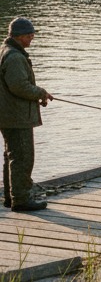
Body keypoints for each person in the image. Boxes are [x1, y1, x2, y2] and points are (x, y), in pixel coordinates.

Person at [0, 18, 53, 211]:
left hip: (9, 115)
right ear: (19, 36)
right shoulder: (14, 56)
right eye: (29, 35)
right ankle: (21, 201)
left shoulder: (5, 50)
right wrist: (40, 92)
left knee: (12, 156)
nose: (32, 38)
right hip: (16, 116)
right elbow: (18, 86)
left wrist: (39, 94)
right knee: (22, 157)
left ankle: (11, 198)